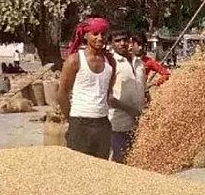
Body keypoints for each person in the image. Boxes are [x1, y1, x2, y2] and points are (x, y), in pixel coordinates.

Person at [57, 17, 116, 159]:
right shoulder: (75, 60)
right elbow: (62, 94)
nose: (100, 38)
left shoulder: (110, 61)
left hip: (103, 123)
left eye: (103, 34)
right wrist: (72, 120)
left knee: (100, 169)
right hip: (80, 122)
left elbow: (108, 91)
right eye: (95, 34)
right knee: (79, 171)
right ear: (85, 35)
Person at [107, 29, 146, 163]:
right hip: (118, 123)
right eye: (117, 41)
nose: (122, 43)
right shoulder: (110, 64)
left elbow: (142, 89)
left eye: (124, 39)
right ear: (111, 44)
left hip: (138, 123)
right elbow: (109, 98)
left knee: (136, 162)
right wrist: (131, 111)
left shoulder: (139, 63)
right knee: (120, 162)